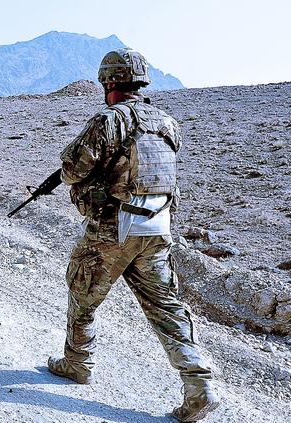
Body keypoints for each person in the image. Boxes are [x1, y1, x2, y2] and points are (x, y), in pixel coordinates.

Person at [47, 49, 220, 422]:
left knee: (82, 292)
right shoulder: (169, 124)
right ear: (141, 81)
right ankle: (199, 385)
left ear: (109, 82)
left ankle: (77, 363)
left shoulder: (110, 120)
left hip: (112, 231)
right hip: (157, 229)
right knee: (167, 309)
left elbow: (73, 168)